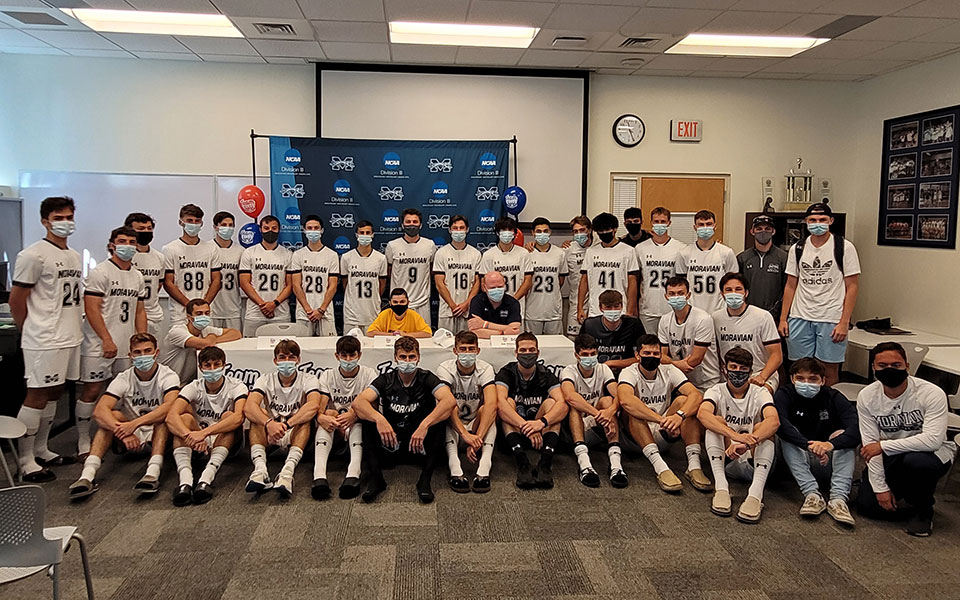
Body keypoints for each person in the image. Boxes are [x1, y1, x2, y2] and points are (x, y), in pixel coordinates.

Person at [11, 196, 83, 482]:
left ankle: (42, 448)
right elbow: (18, 298)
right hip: (43, 338)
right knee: (37, 394)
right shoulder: (32, 254)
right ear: (45, 221)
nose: (65, 223)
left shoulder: (73, 255)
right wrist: (28, 330)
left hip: (69, 335)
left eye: (69, 217)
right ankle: (25, 458)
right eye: (59, 218)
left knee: (55, 393)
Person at [856, 342, 956, 537]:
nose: (890, 370)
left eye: (896, 365)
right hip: (891, 455)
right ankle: (906, 496)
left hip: (931, 455)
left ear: (907, 366)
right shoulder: (867, 397)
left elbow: (932, 441)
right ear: (873, 368)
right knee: (867, 507)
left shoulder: (931, 393)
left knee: (917, 462)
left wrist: (883, 446)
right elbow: (870, 445)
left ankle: (923, 511)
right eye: (882, 366)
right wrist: (880, 488)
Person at [68, 333, 179, 499]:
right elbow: (100, 410)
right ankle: (87, 476)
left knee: (163, 418)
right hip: (129, 433)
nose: (143, 356)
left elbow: (169, 406)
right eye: (138, 352)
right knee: (111, 416)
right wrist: (122, 431)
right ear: (131, 356)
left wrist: (134, 424)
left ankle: (152, 473)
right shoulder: (123, 378)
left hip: (156, 432)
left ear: (156, 353)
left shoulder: (168, 375)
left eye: (147, 351)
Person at [352, 336, 458, 503]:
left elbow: (449, 401)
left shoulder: (426, 377)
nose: (407, 361)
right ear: (395, 358)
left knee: (440, 420)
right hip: (392, 439)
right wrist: (379, 419)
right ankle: (376, 479)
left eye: (411, 357)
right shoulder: (386, 379)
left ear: (418, 358)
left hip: (419, 442)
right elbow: (358, 403)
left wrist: (425, 424)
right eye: (403, 357)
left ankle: (425, 480)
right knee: (366, 420)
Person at [76, 226, 148, 458]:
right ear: (112, 245)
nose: (127, 245)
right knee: (92, 390)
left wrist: (142, 339)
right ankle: (83, 439)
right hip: (99, 344)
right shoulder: (100, 272)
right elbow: (92, 309)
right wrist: (106, 339)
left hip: (126, 347)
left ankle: (115, 434)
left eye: (131, 241)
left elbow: (139, 311)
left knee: (122, 392)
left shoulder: (137, 275)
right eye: (122, 241)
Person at [618, 334, 711, 493]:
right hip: (634, 438)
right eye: (647, 353)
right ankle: (661, 467)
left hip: (664, 430)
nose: (651, 357)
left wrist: (679, 416)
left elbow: (696, 395)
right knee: (633, 410)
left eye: (655, 354)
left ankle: (694, 466)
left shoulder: (669, 370)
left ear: (661, 355)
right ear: (637, 355)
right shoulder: (629, 372)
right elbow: (625, 400)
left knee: (685, 402)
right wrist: (660, 419)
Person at [780, 203, 860, 387]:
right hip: (800, 316)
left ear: (831, 221)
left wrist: (844, 322)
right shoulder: (797, 248)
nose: (818, 223)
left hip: (831, 317)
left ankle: (827, 411)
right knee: (800, 369)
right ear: (806, 222)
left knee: (828, 370)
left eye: (822, 220)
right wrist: (784, 319)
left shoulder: (844, 247)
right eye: (813, 220)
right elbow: (791, 285)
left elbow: (852, 286)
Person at [698, 348, 780, 523]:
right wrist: (735, 436)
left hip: (753, 458)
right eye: (733, 367)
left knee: (763, 427)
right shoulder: (716, 390)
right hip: (727, 456)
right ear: (724, 369)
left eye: (743, 369)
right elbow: (703, 414)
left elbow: (774, 421)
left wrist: (747, 443)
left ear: (750, 372)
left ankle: (755, 496)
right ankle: (721, 488)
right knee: (716, 422)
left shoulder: (760, 392)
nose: (737, 372)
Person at [774, 358, 858, 526]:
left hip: (828, 460)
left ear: (823, 380)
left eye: (812, 379)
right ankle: (812, 495)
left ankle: (838, 499)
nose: (806, 383)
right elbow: (781, 426)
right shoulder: (784, 395)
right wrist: (808, 445)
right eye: (800, 378)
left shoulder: (834, 397)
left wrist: (829, 445)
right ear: (792, 379)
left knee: (843, 436)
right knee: (786, 436)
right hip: (796, 461)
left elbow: (856, 430)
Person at [165, 345, 248, 506]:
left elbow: (238, 418)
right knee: (184, 419)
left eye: (216, 364)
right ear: (200, 368)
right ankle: (185, 481)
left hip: (224, 440)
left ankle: (206, 479)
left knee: (228, 416)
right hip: (196, 442)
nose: (212, 369)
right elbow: (171, 416)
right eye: (207, 365)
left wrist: (204, 434)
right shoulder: (193, 386)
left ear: (224, 365)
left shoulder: (237, 385)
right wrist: (189, 435)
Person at [243, 339, 321, 497]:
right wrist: (268, 424)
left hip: (294, 430)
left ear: (298, 360)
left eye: (291, 357)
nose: (287, 361)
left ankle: (287, 472)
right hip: (270, 432)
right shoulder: (265, 379)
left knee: (305, 418)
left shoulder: (309, 379)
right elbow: (249, 406)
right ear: (275, 360)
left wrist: (286, 424)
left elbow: (313, 405)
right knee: (257, 416)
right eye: (282, 357)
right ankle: (260, 470)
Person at [496, 333, 568, 489]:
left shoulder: (545, 374)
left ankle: (545, 463)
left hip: (540, 431)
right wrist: (526, 426)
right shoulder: (507, 372)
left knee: (552, 403)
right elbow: (500, 405)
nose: (527, 354)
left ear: (538, 353)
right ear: (516, 353)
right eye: (523, 350)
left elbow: (563, 405)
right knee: (507, 402)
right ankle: (522, 463)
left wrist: (540, 423)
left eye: (531, 350)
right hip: (516, 429)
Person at [313, 335, 377, 500]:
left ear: (359, 355)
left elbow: (373, 406)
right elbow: (320, 407)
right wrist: (322, 417)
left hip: (357, 423)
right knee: (327, 416)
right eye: (344, 355)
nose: (348, 360)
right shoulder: (327, 375)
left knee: (360, 419)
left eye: (352, 355)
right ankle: (319, 475)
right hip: (335, 426)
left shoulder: (369, 374)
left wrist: (353, 415)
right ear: (337, 356)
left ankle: (353, 473)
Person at [436, 331, 498, 493]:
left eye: (471, 349)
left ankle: (484, 468)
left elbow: (492, 403)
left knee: (488, 410)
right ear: (455, 351)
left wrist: (477, 439)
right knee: (449, 407)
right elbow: (445, 404)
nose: (467, 353)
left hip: (477, 425)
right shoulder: (445, 369)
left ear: (478, 351)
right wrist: (465, 435)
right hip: (456, 425)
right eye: (463, 349)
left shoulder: (486, 369)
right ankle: (455, 468)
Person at [562, 333, 626, 488]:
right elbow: (570, 396)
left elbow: (620, 395)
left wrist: (610, 411)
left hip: (598, 423)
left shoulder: (603, 369)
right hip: (574, 426)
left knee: (607, 400)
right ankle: (584, 464)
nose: (589, 358)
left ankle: (616, 465)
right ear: (576, 355)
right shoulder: (569, 371)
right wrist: (599, 414)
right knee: (574, 406)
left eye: (593, 354)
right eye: (585, 354)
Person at [712, 272, 782, 394]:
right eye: (728, 290)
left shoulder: (763, 316)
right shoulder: (715, 318)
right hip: (730, 375)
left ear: (746, 293)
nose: (733, 293)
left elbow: (777, 355)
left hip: (760, 375)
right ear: (722, 294)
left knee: (758, 399)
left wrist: (762, 377)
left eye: (738, 289)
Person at [658, 276, 721, 391]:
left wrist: (672, 364)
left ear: (688, 295)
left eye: (680, 293)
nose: (676, 297)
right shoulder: (664, 320)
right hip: (680, 380)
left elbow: (696, 358)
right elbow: (662, 356)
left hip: (706, 382)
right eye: (672, 294)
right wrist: (677, 364)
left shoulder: (703, 319)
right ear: (666, 297)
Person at [162, 203, 221, 325]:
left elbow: (216, 280)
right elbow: (168, 282)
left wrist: (204, 306)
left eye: (197, 221)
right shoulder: (170, 249)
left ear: (202, 224)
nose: (193, 224)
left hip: (205, 312)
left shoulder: (211, 248)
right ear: (181, 222)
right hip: (180, 312)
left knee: (208, 342)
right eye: (189, 220)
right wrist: (189, 305)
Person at [578, 212, 639, 323]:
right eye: (600, 231)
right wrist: (580, 308)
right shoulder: (591, 251)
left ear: (615, 229)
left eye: (607, 230)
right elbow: (584, 281)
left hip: (620, 309)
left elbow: (632, 281)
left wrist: (630, 310)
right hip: (595, 309)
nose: (604, 233)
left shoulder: (628, 251)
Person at [160, 299, 241, 383]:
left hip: (187, 382)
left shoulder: (206, 330)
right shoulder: (177, 331)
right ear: (189, 317)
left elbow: (236, 333)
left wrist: (214, 339)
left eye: (207, 313)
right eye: (199, 314)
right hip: (167, 381)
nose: (204, 316)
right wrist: (211, 337)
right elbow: (207, 344)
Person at [238, 215, 293, 337]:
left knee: (282, 350)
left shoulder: (287, 254)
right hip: (254, 313)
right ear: (260, 230)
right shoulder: (249, 253)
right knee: (251, 351)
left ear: (279, 230)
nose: (270, 231)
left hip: (280, 313)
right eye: (266, 228)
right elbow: (244, 283)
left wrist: (274, 304)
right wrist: (262, 305)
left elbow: (290, 285)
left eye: (274, 228)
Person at [675, 209, 737, 312]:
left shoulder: (726, 252)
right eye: (701, 224)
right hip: (692, 309)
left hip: (719, 309)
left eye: (709, 224)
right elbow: (680, 285)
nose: (705, 228)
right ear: (695, 227)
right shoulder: (684, 253)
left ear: (715, 226)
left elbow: (733, 284)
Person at [636, 207, 686, 334]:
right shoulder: (640, 248)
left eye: (663, 222)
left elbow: (683, 281)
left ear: (669, 223)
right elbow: (636, 279)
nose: (659, 225)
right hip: (647, 308)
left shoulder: (680, 248)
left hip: (672, 307)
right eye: (656, 221)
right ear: (651, 223)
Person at [385, 208, 436, 326]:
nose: (411, 225)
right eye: (408, 222)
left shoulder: (429, 245)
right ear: (402, 225)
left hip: (422, 302)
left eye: (415, 222)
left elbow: (432, 269)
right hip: (399, 303)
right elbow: (388, 271)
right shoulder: (393, 245)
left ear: (421, 224)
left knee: (423, 339)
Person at [291, 215, 340, 336]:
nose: (313, 231)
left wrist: (321, 310)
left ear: (322, 230)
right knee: (301, 349)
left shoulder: (332, 255)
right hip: (304, 313)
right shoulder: (298, 255)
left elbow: (333, 286)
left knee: (328, 348)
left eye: (316, 228)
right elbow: (296, 285)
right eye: (309, 228)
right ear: (304, 230)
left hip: (325, 313)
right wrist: (308, 309)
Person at [433, 215, 481, 334]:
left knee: (467, 344)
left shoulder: (475, 254)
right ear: (449, 230)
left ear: (467, 229)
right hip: (447, 310)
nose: (458, 231)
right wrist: (452, 305)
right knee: (445, 347)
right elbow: (439, 284)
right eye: (455, 228)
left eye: (461, 228)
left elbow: (477, 283)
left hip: (468, 310)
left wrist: (466, 304)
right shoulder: (441, 253)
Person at [579, 290, 643, 376]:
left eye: (616, 306)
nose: (613, 310)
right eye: (608, 307)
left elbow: (642, 356)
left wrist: (611, 363)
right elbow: (581, 355)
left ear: (622, 307)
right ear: (600, 308)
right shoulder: (589, 325)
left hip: (627, 373)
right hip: (597, 373)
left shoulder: (634, 324)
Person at [340, 220, 388, 333]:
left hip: (372, 313)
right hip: (351, 314)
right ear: (356, 235)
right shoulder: (347, 257)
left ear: (373, 235)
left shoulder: (380, 258)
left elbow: (382, 284)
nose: (364, 236)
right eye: (362, 233)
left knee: (372, 348)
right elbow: (345, 283)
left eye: (368, 233)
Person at [737, 215, 787, 321]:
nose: (763, 232)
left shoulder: (783, 258)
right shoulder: (742, 258)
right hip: (747, 315)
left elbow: (788, 288)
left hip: (775, 317)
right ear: (752, 231)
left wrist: (780, 314)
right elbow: (738, 287)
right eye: (759, 229)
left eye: (767, 229)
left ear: (773, 231)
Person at [479, 216, 532, 313]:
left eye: (510, 230)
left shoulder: (524, 253)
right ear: (498, 233)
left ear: (515, 233)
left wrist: (512, 302)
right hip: (495, 307)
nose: (507, 233)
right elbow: (483, 284)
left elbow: (527, 282)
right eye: (503, 230)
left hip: (517, 306)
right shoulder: (488, 255)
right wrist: (498, 302)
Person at [525, 217, 568, 335]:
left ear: (550, 232)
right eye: (538, 231)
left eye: (545, 231)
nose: (542, 234)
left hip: (553, 311)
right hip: (532, 311)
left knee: (555, 347)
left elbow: (561, 280)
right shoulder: (527, 253)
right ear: (532, 233)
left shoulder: (560, 253)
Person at [126, 212, 166, 336]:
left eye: (149, 228)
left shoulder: (159, 257)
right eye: (141, 229)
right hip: (130, 316)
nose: (146, 232)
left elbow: (158, 285)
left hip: (153, 315)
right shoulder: (126, 256)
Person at [208, 211, 244, 331]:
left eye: (231, 225)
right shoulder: (207, 249)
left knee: (235, 345)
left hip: (233, 309)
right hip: (211, 309)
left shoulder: (241, 251)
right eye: (224, 225)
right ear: (215, 227)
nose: (227, 228)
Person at [468, 271, 522, 339]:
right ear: (484, 287)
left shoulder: (513, 303)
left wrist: (484, 324)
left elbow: (515, 330)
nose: (497, 290)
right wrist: (503, 332)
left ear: (505, 285)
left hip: (506, 343)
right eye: (492, 288)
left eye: (500, 287)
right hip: (483, 342)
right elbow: (474, 331)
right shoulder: (476, 301)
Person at [563, 216, 592, 338]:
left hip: (595, 302)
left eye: (582, 230)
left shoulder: (598, 247)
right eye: (575, 231)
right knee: (572, 339)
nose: (579, 234)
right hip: (575, 302)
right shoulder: (567, 249)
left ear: (589, 230)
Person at [366, 288, 432, 338]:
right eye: (395, 302)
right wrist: (393, 335)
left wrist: (405, 335)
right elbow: (370, 332)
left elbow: (428, 333)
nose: (399, 304)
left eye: (402, 301)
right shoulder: (385, 314)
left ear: (408, 302)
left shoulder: (414, 315)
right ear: (390, 303)